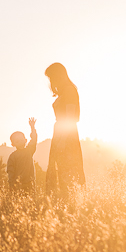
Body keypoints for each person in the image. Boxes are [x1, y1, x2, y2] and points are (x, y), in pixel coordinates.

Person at [44, 62, 86, 199]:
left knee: (66, 168)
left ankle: (68, 200)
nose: (51, 81)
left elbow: (70, 118)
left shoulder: (69, 91)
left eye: (51, 77)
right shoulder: (64, 92)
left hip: (66, 135)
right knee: (60, 168)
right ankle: (61, 200)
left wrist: (62, 140)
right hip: (60, 133)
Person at [6, 117, 38, 194]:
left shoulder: (29, 150)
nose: (20, 142)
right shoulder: (12, 156)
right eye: (17, 141)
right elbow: (10, 172)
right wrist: (11, 185)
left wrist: (32, 127)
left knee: (31, 202)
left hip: (30, 183)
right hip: (18, 185)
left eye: (21, 140)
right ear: (13, 144)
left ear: (25, 140)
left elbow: (34, 139)